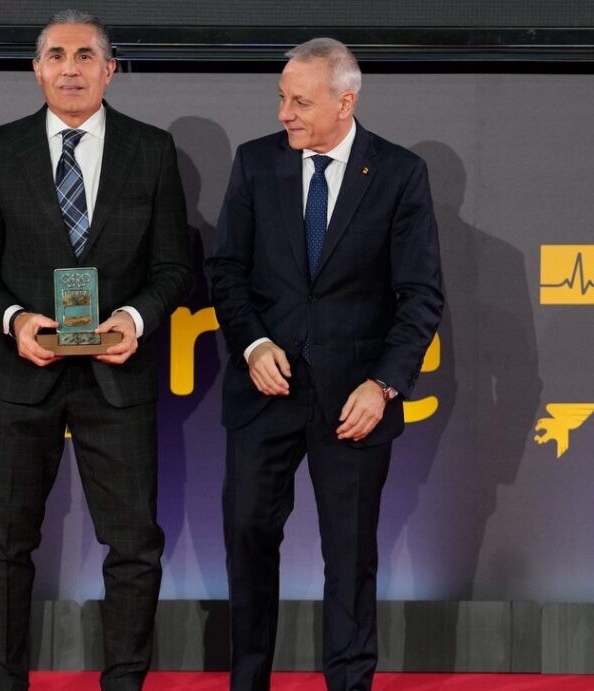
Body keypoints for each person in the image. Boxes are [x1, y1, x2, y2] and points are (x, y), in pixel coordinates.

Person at [0, 9, 192, 691]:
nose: (71, 68)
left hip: (117, 377)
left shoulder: (150, 150)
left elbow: (173, 268)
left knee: (133, 545)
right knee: (6, 543)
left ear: (110, 69)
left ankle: (124, 681)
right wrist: (14, 320)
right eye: (57, 56)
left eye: (85, 55)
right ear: (36, 70)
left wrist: (133, 320)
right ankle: (5, 682)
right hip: (20, 374)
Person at [207, 38, 443, 691]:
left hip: (353, 401)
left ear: (346, 101)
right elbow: (226, 272)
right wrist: (253, 345)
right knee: (248, 541)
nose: (284, 113)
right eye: (282, 98)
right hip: (265, 393)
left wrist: (385, 383)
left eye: (301, 102)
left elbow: (421, 296)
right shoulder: (256, 163)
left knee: (350, 556)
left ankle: (349, 682)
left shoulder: (398, 173)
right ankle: (248, 681)